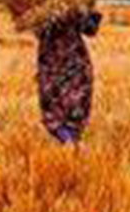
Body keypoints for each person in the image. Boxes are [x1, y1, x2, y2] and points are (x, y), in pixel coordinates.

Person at [35, 8, 103, 144]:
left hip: (60, 57)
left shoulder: (71, 1)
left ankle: (68, 140)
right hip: (63, 57)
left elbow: (90, 29)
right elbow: (90, 29)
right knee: (66, 97)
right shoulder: (46, 4)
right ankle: (69, 140)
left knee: (60, 98)